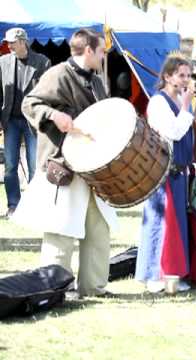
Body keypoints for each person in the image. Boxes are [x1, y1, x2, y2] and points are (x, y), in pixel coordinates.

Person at [17, 28, 118, 297]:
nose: (103, 55)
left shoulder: (96, 82)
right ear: (88, 51)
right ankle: (52, 289)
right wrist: (54, 116)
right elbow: (30, 104)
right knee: (61, 230)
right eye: (100, 51)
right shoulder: (58, 73)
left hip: (94, 166)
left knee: (98, 228)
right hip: (64, 164)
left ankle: (93, 288)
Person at [135, 54, 195, 293]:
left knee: (176, 224)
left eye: (188, 75)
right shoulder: (158, 102)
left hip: (179, 170)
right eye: (181, 75)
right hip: (162, 170)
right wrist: (187, 108)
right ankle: (154, 275)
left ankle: (171, 272)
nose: (185, 80)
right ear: (168, 76)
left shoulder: (179, 99)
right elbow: (174, 131)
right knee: (161, 222)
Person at [0, 27, 51, 219]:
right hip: (10, 120)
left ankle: (35, 206)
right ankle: (13, 205)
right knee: (11, 165)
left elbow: (48, 93)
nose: (9, 45)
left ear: (23, 42)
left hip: (33, 121)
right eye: (8, 42)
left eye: (12, 42)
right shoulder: (2, 62)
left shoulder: (43, 62)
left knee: (35, 166)